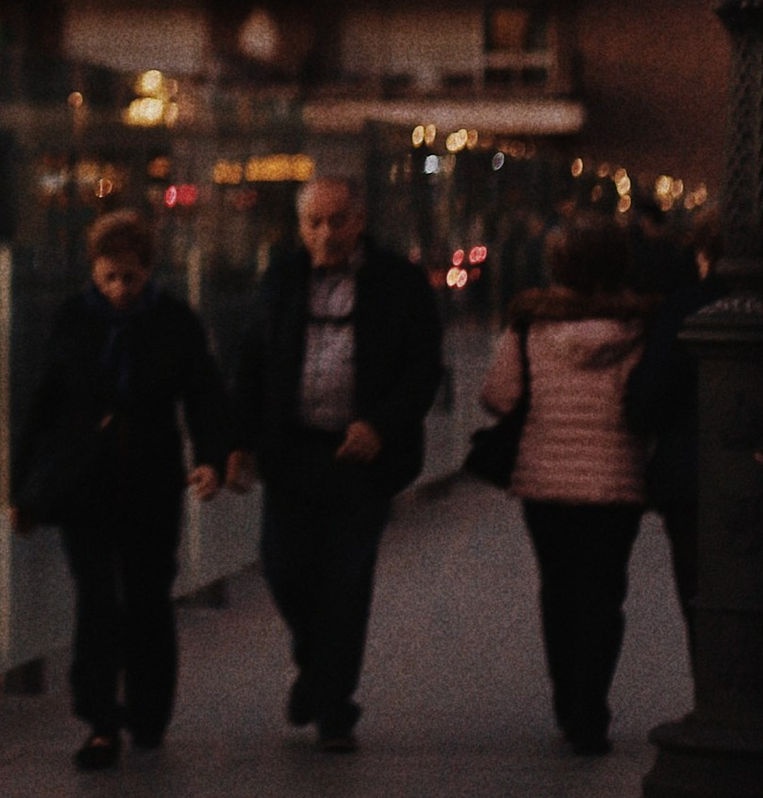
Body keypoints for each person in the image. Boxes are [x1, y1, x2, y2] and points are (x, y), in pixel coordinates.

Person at [227, 175, 441, 754]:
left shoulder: (398, 284)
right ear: (299, 227)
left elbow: (422, 370)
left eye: (336, 220)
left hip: (359, 460)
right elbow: (252, 361)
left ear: (360, 219)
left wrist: (379, 425)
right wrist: (237, 442)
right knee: (284, 568)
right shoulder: (281, 280)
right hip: (292, 453)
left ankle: (333, 707)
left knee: (346, 582)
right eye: (313, 223)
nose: (325, 234)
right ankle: (320, 674)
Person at [13, 207, 229, 769]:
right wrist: (20, 488)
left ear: (147, 270)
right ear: (93, 271)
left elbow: (203, 394)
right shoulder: (72, 320)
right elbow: (42, 403)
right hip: (85, 481)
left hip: (151, 479)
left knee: (147, 596)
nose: (118, 290)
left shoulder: (175, 322)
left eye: (129, 277)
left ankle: (149, 711)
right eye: (108, 277)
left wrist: (209, 459)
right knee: (95, 597)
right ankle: (100, 720)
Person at [477, 214, 653, 755]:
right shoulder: (640, 327)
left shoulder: (530, 325)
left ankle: (565, 698)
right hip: (616, 481)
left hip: (545, 480)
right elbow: (646, 405)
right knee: (604, 596)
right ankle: (591, 706)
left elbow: (500, 396)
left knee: (559, 590)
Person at [623, 203, 714, 641]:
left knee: (701, 602)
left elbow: (648, 397)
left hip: (692, 480)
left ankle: (713, 692)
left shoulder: (686, 310)